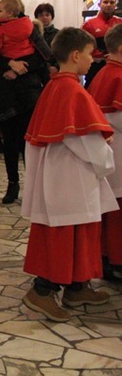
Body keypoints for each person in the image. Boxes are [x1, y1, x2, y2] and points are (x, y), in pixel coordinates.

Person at [21, 27, 117, 322]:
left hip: (64, 175)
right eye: (89, 54)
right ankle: (42, 291)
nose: (92, 59)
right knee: (63, 237)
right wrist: (106, 155)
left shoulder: (57, 86)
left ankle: (77, 287)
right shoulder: (71, 89)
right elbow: (83, 139)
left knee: (78, 233)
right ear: (76, 56)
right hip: (71, 177)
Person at [0, 0, 51, 204]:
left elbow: (43, 55)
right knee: (10, 142)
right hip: (5, 92)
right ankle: (13, 183)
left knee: (29, 142)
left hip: (28, 94)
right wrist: (10, 64)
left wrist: (22, 68)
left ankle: (33, 184)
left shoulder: (30, 28)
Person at [87, 24, 122, 281]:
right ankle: (116, 259)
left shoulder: (103, 72)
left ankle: (107, 257)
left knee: (110, 208)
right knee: (117, 209)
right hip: (117, 149)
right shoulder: (118, 74)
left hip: (108, 149)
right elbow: (117, 118)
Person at [82, 0, 122, 88]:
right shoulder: (89, 24)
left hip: (117, 66)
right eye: (106, 2)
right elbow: (82, 47)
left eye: (112, 3)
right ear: (99, 4)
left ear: (115, 5)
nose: (108, 5)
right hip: (95, 67)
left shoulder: (120, 23)